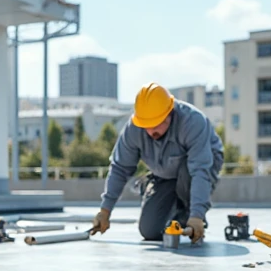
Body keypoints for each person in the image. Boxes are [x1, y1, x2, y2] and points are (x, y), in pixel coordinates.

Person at [91, 83, 224, 244]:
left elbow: (200, 171)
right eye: (147, 125)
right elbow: (120, 168)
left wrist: (196, 215)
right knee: (150, 230)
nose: (151, 130)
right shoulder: (134, 128)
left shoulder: (192, 121)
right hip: (165, 173)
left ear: (170, 113)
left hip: (200, 166)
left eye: (157, 123)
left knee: (189, 172)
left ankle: (190, 212)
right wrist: (105, 211)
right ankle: (155, 189)